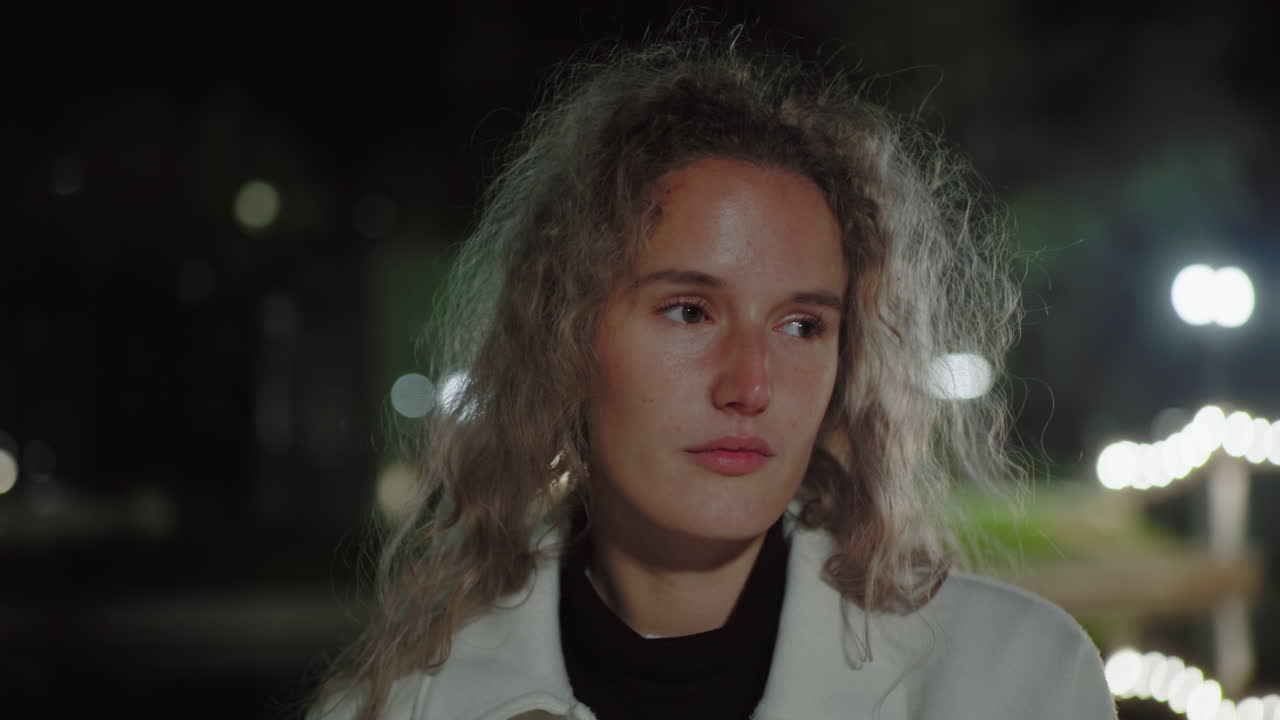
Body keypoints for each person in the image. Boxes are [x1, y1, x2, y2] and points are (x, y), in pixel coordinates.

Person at [307, 27, 1117, 720]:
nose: (751, 386)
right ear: (563, 337)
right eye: (690, 311)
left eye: (802, 325)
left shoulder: (1013, 679)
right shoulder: (405, 702)